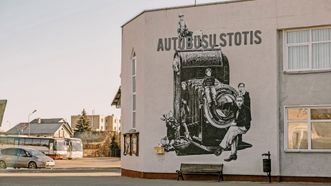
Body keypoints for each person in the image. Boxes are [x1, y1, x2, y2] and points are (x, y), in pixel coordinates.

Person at [214, 96, 251, 161]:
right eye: (238, 101)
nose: (239, 103)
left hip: (244, 127)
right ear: (236, 102)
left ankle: (222, 147)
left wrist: (236, 123)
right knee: (234, 136)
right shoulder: (235, 107)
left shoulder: (246, 109)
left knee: (232, 129)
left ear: (242, 101)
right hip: (238, 126)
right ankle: (233, 154)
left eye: (240, 101)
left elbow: (246, 121)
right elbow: (228, 107)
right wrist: (219, 107)